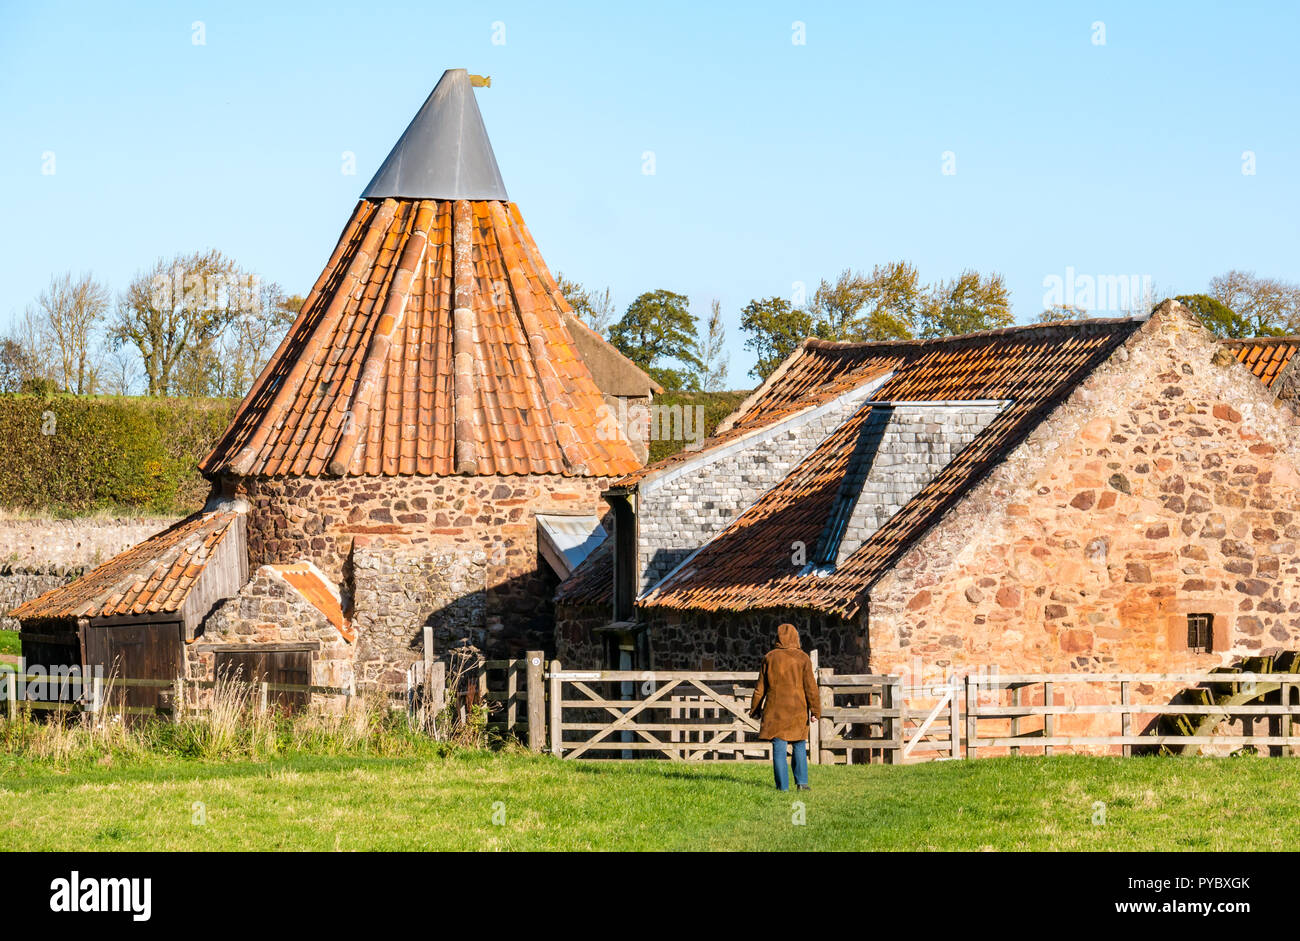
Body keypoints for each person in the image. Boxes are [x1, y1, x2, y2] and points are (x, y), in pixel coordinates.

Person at [749, 622, 821, 791]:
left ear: (778, 638)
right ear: (796, 638)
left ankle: (782, 787)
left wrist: (755, 709)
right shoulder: (803, 658)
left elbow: (760, 688)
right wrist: (815, 710)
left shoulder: (769, 657)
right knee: (799, 745)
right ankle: (802, 783)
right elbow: (811, 688)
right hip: (798, 710)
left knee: (779, 748)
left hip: (776, 711)